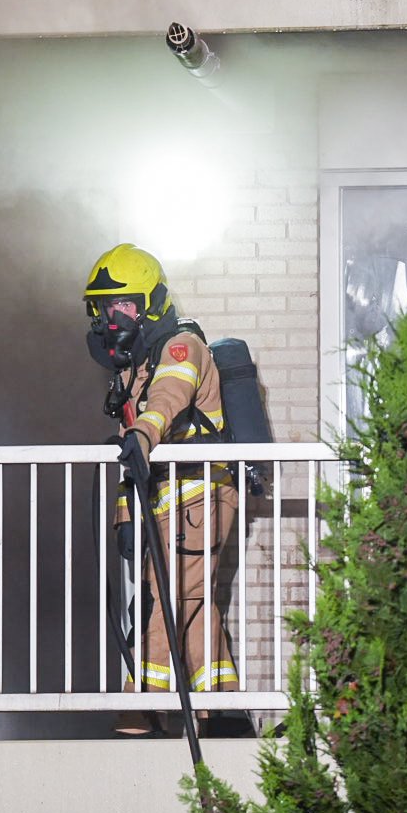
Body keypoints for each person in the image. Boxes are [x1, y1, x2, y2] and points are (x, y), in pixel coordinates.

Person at [83, 243, 239, 735]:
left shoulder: (179, 346)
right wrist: (124, 522)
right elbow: (139, 467)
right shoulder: (133, 368)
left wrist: (143, 433)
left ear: (150, 303)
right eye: (104, 308)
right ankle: (224, 714)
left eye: (123, 305)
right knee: (182, 601)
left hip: (198, 496)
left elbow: (168, 400)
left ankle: (141, 715)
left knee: (172, 600)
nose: (113, 318)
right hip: (165, 502)